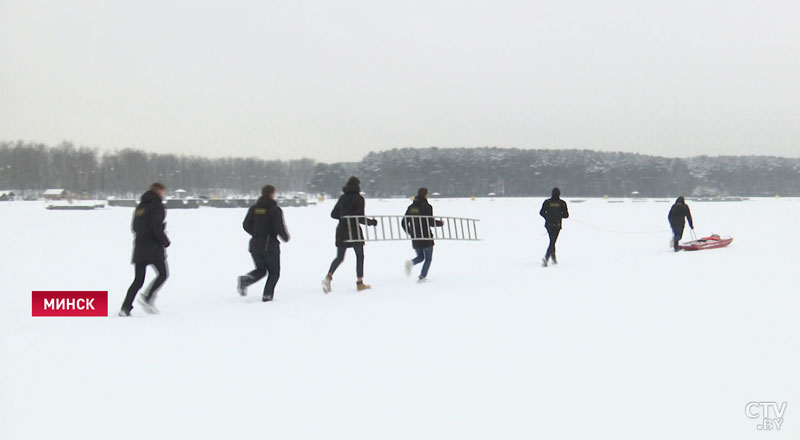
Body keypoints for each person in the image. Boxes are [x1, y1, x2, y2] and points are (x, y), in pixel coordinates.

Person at [119, 183, 170, 316]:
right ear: (159, 191)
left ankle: (125, 308)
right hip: (153, 247)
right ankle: (147, 298)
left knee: (138, 280)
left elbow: (135, 228)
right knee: (163, 274)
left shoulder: (140, 207)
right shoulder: (157, 206)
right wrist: (165, 241)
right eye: (162, 192)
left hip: (140, 246)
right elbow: (156, 227)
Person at [322, 176, 377, 293]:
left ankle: (328, 277)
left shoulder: (342, 198)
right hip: (354, 231)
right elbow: (360, 218)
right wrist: (372, 222)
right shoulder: (359, 198)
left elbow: (333, 214)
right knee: (360, 256)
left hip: (342, 230)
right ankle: (360, 283)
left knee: (340, 257)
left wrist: (343, 217)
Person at [238, 185, 290, 302]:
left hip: (255, 245)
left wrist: (256, 234)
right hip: (270, 246)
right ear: (272, 194)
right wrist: (285, 237)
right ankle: (267, 296)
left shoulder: (254, 208)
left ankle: (246, 280)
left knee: (261, 270)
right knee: (274, 273)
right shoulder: (274, 210)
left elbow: (246, 225)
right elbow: (279, 226)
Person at [403, 187, 443, 281]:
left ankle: (411, 263)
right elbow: (430, 222)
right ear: (426, 195)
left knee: (420, 257)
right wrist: (440, 223)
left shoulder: (411, 207)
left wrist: (411, 232)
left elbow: (403, 222)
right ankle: (422, 276)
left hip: (415, 237)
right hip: (426, 236)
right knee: (428, 258)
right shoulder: (427, 207)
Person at [539, 187, 569, 267]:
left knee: (552, 241)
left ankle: (553, 257)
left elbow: (541, 212)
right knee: (552, 241)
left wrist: (547, 217)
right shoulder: (562, 203)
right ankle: (546, 258)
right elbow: (566, 215)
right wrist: (559, 215)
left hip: (548, 225)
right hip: (557, 225)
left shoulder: (547, 202)